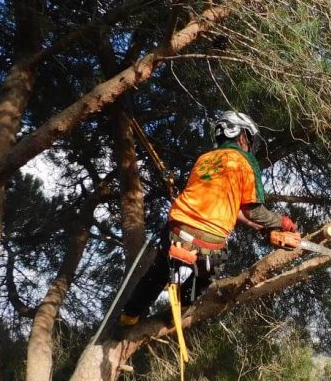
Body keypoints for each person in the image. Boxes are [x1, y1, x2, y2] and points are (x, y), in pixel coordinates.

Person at [119, 111, 295, 325]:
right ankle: (183, 305)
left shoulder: (204, 159)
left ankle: (129, 316)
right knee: (209, 269)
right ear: (240, 136)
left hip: (176, 231)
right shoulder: (245, 161)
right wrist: (283, 222)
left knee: (158, 271)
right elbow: (254, 211)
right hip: (208, 244)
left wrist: (253, 225)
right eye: (248, 139)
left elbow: (228, 207)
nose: (249, 145)